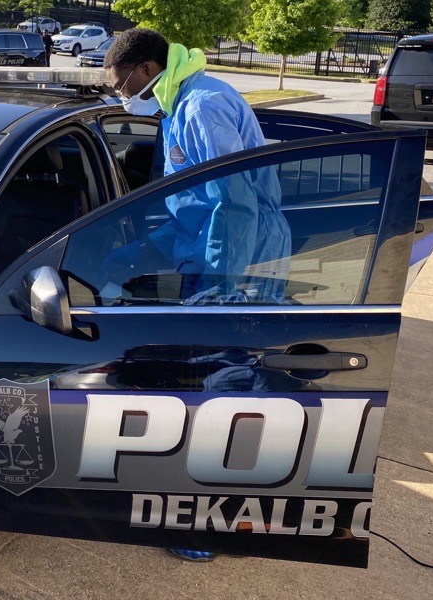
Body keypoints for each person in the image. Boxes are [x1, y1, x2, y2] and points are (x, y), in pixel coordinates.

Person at [102, 28, 291, 562]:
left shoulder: (202, 106)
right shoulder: (181, 102)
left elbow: (233, 205)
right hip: (212, 256)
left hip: (236, 263)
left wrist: (221, 292)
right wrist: (126, 256)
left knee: (221, 394)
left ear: (145, 69)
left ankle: (210, 526)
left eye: (120, 84)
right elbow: (191, 206)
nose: (120, 95)